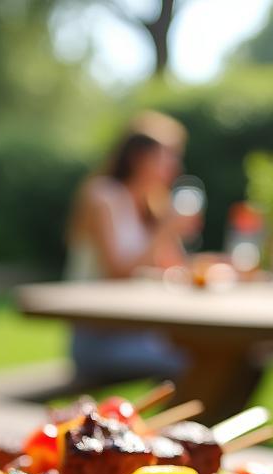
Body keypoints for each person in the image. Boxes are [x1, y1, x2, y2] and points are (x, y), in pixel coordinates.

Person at [64, 112, 199, 383]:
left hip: (140, 333)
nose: (175, 166)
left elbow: (174, 270)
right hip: (98, 339)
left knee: (231, 357)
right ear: (138, 156)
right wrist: (165, 230)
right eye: (168, 156)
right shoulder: (102, 196)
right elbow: (117, 273)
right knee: (198, 363)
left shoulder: (153, 205)